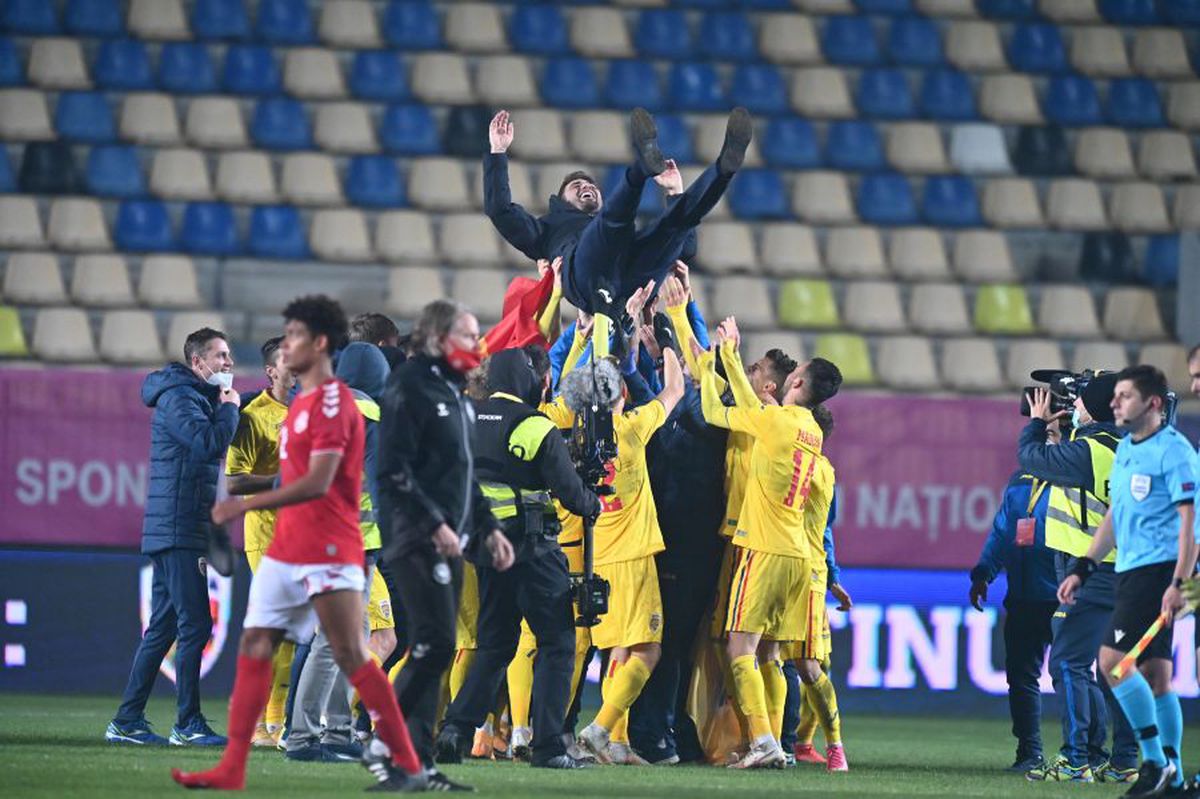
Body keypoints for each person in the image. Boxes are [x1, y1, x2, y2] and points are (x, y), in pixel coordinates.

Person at [171, 295, 425, 793]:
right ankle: (304, 731)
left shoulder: (308, 408)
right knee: (332, 642)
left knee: (328, 640)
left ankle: (324, 727)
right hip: (343, 540)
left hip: (308, 535)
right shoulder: (363, 407)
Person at [435, 348, 602, 769]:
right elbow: (571, 495)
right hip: (532, 552)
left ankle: (455, 729)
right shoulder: (534, 425)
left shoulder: (466, 417)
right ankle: (547, 747)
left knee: (495, 645)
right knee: (557, 643)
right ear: (528, 381)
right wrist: (593, 501)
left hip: (486, 551)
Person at [377, 299, 516, 792]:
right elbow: (391, 468)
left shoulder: (456, 392)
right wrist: (434, 521)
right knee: (435, 645)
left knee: (439, 646)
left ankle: (415, 763)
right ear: (437, 339)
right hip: (415, 535)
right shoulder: (409, 386)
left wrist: (490, 527)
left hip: (453, 540)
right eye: (467, 334)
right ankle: (387, 741)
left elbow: (465, 476)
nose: (477, 344)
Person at [698, 319, 842, 770]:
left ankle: (763, 741)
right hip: (799, 557)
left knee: (739, 648)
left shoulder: (776, 422)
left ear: (795, 382)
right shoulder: (813, 433)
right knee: (770, 654)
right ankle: (777, 740)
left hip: (764, 548)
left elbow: (715, 412)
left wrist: (718, 359)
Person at [1057, 365, 1198, 798]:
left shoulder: (1173, 452)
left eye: (1125, 396)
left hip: (1157, 573)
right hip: (1130, 570)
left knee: (1113, 664)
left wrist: (1179, 582)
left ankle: (1153, 761)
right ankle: (1171, 775)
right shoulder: (1127, 449)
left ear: (1152, 404)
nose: (1115, 404)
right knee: (1156, 675)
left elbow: (1189, 523)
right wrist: (1085, 565)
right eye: (1115, 396)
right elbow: (1117, 515)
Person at [106, 328, 240, 748]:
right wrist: (231, 410)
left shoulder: (193, 397)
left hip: (180, 526)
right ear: (198, 362)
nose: (228, 363)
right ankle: (188, 723)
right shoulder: (180, 398)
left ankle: (127, 721)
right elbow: (206, 443)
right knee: (196, 625)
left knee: (162, 629)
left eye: (229, 355)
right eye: (220, 356)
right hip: (179, 528)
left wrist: (233, 407)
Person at [483, 106, 752, 313]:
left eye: (590, 184)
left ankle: (723, 169)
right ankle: (641, 167)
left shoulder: (606, 217)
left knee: (674, 227)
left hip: (630, 285)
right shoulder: (547, 229)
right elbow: (500, 210)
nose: (586, 186)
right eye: (576, 185)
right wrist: (498, 151)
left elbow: (685, 251)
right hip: (585, 278)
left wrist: (674, 192)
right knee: (613, 223)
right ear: (561, 200)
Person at [1020, 374, 1139, 783]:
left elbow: (1031, 459)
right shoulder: (1126, 447)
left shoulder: (1088, 450)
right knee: (1115, 668)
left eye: (1081, 401)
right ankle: (1125, 761)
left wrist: (1037, 423)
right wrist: (1060, 432)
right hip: (1126, 572)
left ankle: (1075, 761)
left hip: (1088, 569)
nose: (1076, 406)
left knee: (1069, 662)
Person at [574, 347, 686, 765]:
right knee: (649, 651)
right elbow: (675, 389)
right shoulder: (632, 428)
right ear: (622, 390)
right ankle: (599, 729)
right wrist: (668, 343)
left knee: (618, 652)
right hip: (634, 556)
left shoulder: (580, 440)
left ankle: (616, 743)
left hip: (598, 554)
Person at [285, 342, 394, 763]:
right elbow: (378, 484)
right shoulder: (369, 415)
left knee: (352, 637)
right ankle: (303, 738)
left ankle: (336, 730)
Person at [224, 336, 295, 748]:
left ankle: (274, 723)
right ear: (271, 370)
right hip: (267, 534)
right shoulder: (253, 416)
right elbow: (234, 481)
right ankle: (252, 719)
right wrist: (282, 481)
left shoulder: (309, 412)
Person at [969, 469, 1059, 773]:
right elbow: (1003, 529)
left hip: (1069, 596)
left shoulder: (1082, 472)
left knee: (1074, 677)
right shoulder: (1021, 480)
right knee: (1021, 676)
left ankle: (1085, 754)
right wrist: (984, 572)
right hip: (1024, 595)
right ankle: (1030, 752)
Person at [780, 406, 852, 773]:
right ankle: (783, 743)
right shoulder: (781, 454)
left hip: (806, 573)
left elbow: (822, 529)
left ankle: (833, 745)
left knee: (809, 665)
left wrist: (831, 575)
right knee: (764, 658)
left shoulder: (821, 472)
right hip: (774, 564)